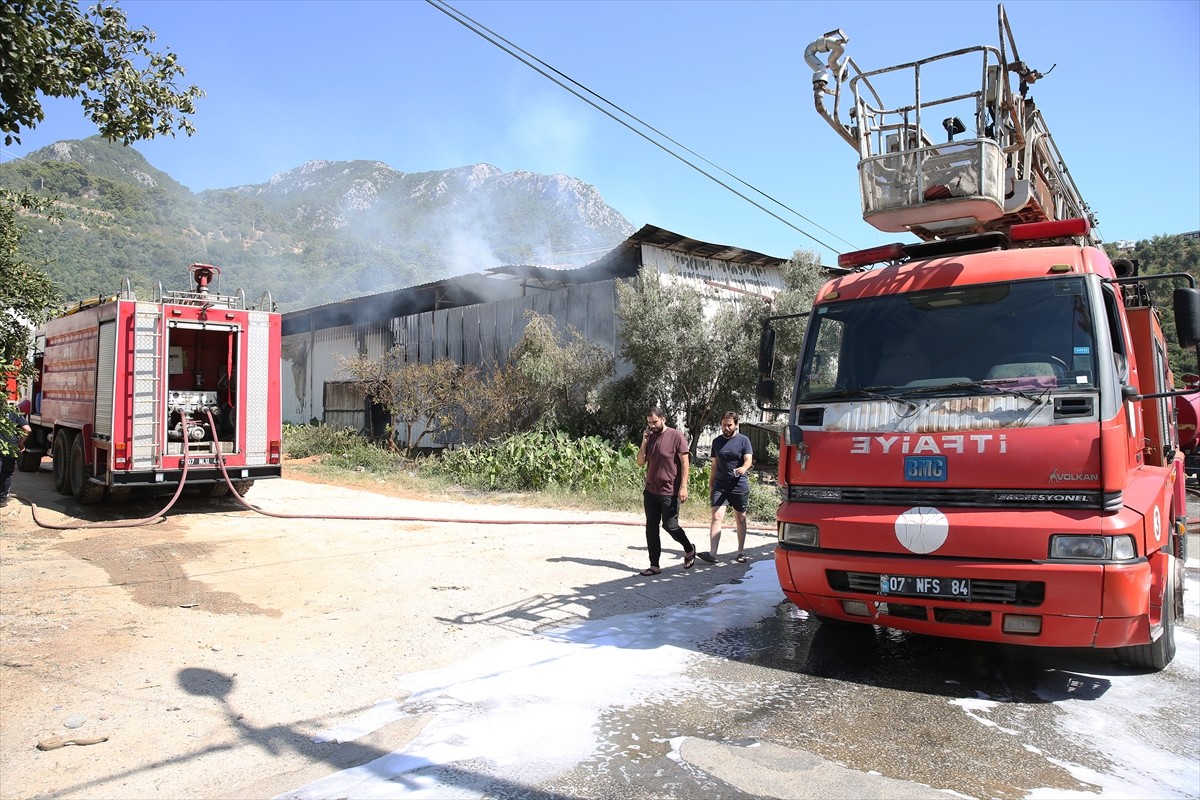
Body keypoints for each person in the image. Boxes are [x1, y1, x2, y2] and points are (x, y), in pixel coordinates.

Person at [635, 406, 696, 576]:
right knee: (651, 528)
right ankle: (654, 565)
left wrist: (683, 486)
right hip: (651, 490)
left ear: (663, 419)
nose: (652, 425)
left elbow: (685, 462)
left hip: (670, 491)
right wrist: (644, 442)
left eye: (654, 422)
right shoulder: (650, 437)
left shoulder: (676, 436)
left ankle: (689, 548)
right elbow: (640, 462)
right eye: (649, 423)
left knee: (670, 526)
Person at [698, 411, 753, 565]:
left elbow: (748, 459)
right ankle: (712, 553)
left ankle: (741, 552)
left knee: (740, 518)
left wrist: (743, 468)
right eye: (724, 424)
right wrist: (711, 484)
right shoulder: (716, 442)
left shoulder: (744, 441)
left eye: (729, 425)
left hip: (738, 485)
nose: (726, 428)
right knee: (716, 517)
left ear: (736, 424)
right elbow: (714, 465)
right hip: (720, 485)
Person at [1, 399, 32, 508]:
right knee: (6, 473)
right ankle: (2, 499)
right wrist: (20, 443)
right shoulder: (14, 413)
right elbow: (27, 429)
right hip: (11, 447)